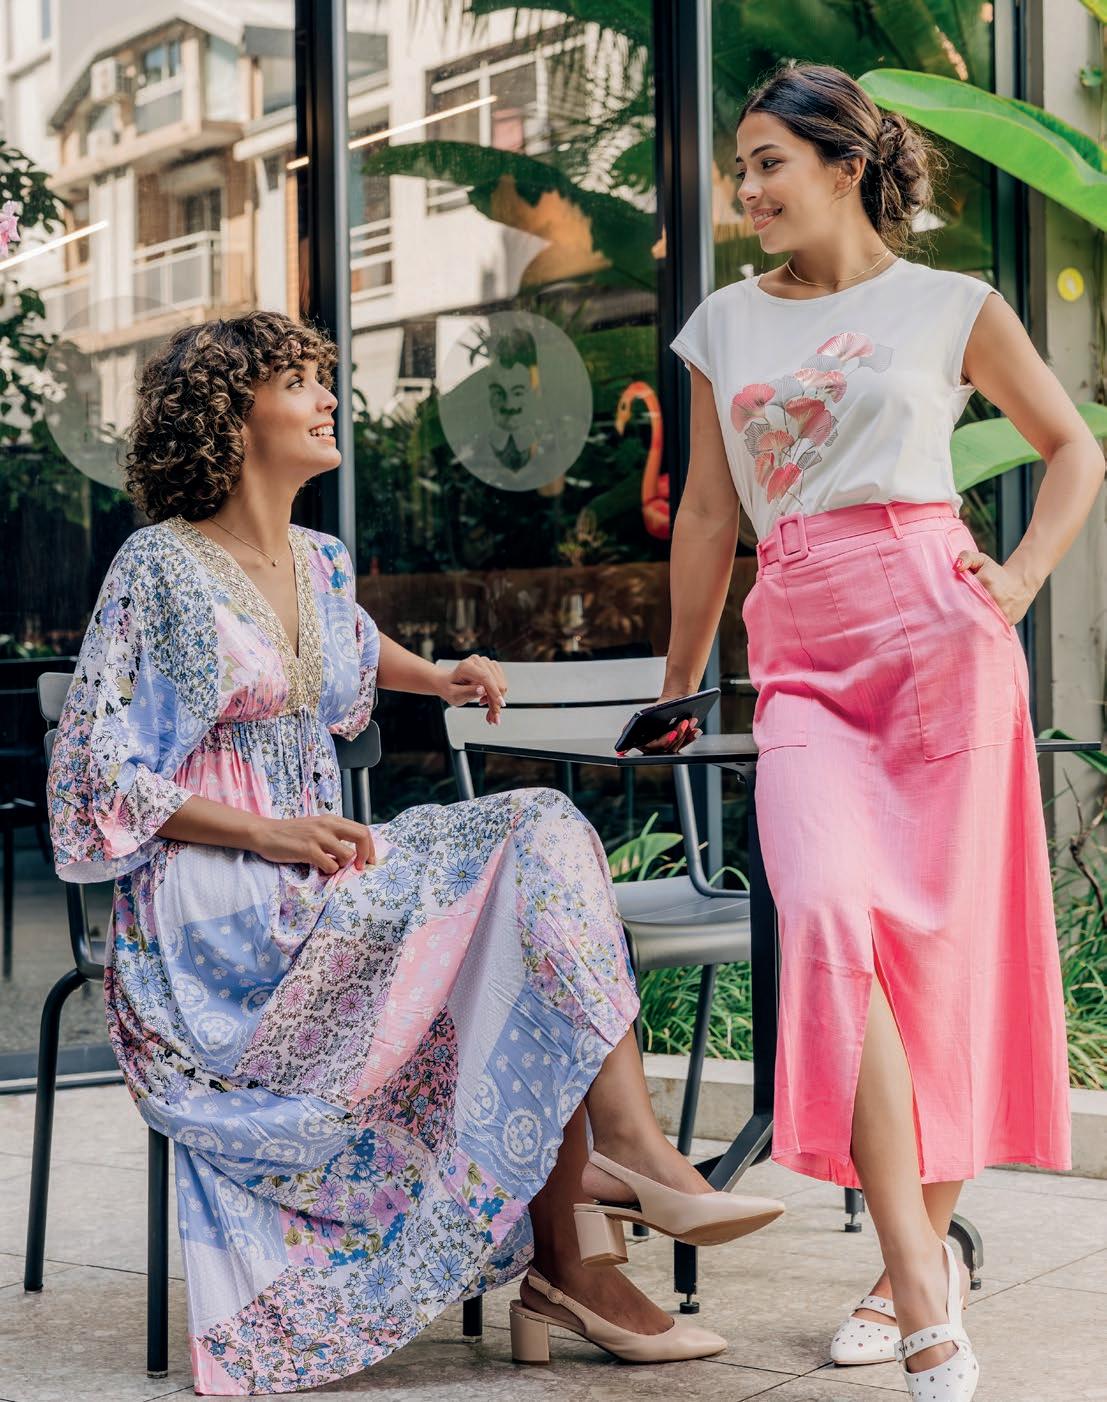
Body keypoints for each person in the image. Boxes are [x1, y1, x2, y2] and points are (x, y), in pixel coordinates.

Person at [45, 310, 785, 1395]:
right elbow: (91, 773)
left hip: (323, 871)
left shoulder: (319, 559)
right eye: (301, 383)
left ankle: (607, 1191)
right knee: (515, 880)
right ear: (233, 417)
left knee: (535, 837)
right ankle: (590, 1229)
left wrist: (438, 676)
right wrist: (266, 831)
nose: (328, 399)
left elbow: (345, 643)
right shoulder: (157, 564)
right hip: (214, 913)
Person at [661, 60, 1103, 1402]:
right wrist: (681, 685)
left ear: (844, 164)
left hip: (939, 639)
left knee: (940, 961)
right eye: (740, 169)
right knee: (828, 918)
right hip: (800, 656)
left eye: (767, 164)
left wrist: (1017, 579)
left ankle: (905, 1273)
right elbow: (708, 516)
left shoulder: (949, 304)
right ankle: (922, 1277)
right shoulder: (722, 326)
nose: (746, 191)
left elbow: (1072, 448)